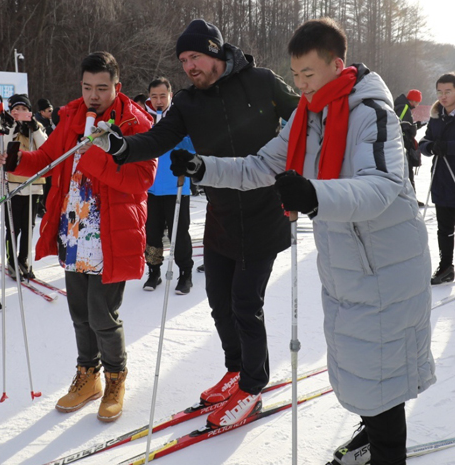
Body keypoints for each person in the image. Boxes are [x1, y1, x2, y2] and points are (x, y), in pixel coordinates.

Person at [166, 18, 435, 465]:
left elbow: (384, 186)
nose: (301, 85)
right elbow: (259, 166)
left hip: (387, 262)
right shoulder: (307, 117)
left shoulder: (371, 113)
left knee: (382, 369)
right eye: (295, 76)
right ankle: (371, 435)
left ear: (337, 64)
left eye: (309, 74)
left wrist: (313, 194)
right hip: (348, 258)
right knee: (364, 362)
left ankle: (388, 452)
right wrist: (203, 167)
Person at [92, 19, 299, 426]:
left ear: (216, 52)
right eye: (183, 60)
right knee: (220, 303)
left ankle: (254, 387)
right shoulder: (187, 103)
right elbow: (155, 139)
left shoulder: (261, 81)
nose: (188, 66)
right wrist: (120, 146)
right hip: (221, 216)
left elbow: (306, 120)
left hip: (264, 212)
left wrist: (298, 175)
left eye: (195, 57)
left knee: (245, 303)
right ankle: (237, 369)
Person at [0, 51, 156, 422]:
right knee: (79, 312)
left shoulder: (136, 121)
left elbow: (142, 179)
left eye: (102, 88)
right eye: (87, 87)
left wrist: (95, 160)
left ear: (118, 85)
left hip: (111, 232)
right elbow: (48, 159)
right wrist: (18, 161)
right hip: (74, 229)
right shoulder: (70, 116)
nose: (94, 95)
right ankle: (88, 376)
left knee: (103, 313)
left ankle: (116, 378)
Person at [141, 77, 195, 294]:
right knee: (152, 233)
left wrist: (171, 133)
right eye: (154, 96)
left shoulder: (181, 117)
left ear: (170, 96)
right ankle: (153, 272)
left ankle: (185, 274)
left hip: (177, 186)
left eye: (162, 96)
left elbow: (193, 144)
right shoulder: (144, 118)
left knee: (179, 233)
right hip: (151, 188)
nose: (158, 100)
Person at [0, 94, 48, 280]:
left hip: (33, 184)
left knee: (28, 226)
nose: (20, 113)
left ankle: (24, 259)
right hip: (12, 185)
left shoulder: (37, 128)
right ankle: (11, 261)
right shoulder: (5, 127)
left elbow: (47, 148)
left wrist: (34, 128)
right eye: (16, 110)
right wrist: (10, 125)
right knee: (12, 226)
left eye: (24, 109)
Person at [420, 72, 455, 285]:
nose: (443, 96)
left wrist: (448, 147)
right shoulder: (435, 116)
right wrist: (431, 147)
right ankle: (446, 266)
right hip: (442, 181)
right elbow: (424, 141)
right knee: (444, 229)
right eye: (439, 92)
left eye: (448, 91)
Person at [394, 89, 423, 202]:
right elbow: (401, 125)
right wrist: (414, 128)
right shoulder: (404, 108)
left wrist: (415, 126)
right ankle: (411, 199)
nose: (418, 104)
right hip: (403, 145)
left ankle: (410, 198)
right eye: (418, 102)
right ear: (414, 101)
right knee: (407, 172)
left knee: (407, 171)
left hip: (401, 144)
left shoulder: (401, 106)